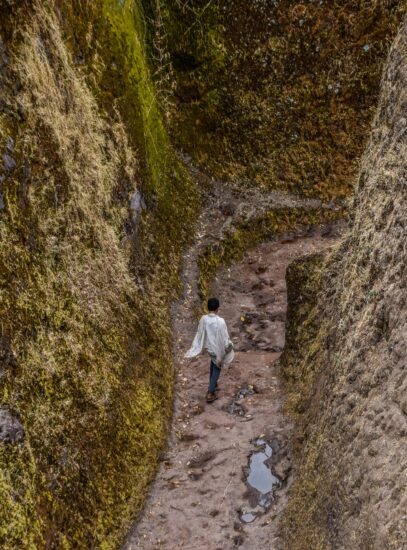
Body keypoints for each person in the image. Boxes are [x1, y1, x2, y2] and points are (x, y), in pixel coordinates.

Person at [185, 297, 234, 403]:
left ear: (208, 308)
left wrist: (197, 345)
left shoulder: (204, 319)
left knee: (213, 363)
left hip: (209, 347)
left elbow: (200, 333)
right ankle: (210, 392)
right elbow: (224, 337)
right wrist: (228, 346)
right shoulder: (220, 321)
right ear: (217, 308)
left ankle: (214, 384)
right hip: (217, 347)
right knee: (217, 366)